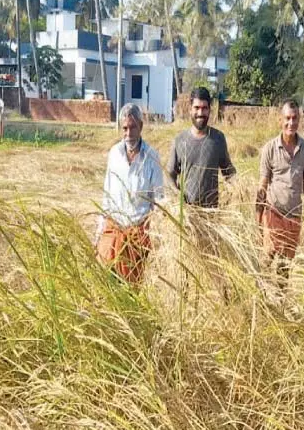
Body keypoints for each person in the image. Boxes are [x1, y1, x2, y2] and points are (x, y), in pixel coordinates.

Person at [167, 87, 236, 296]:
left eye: (205, 108)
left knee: (214, 264)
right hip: (187, 219)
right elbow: (169, 174)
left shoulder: (218, 140)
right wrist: (177, 196)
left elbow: (229, 172)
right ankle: (187, 301)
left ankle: (219, 301)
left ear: (210, 110)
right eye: (197, 107)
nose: (200, 113)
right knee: (187, 266)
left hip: (212, 218)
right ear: (190, 108)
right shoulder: (180, 141)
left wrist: (240, 188)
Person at [95, 104, 164, 284]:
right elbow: (107, 195)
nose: (129, 133)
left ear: (140, 126)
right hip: (114, 228)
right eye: (125, 128)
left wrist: (158, 234)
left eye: (133, 127)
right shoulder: (114, 154)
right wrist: (100, 230)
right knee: (106, 281)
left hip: (138, 233)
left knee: (132, 286)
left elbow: (158, 200)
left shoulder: (152, 157)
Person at [255, 99, 304, 282]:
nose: (291, 123)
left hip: (294, 215)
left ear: (300, 119)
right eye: (287, 118)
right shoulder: (270, 149)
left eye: (295, 118)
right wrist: (258, 221)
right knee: (267, 258)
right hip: (273, 213)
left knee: (285, 267)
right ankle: (262, 298)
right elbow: (262, 185)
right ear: (280, 120)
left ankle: (281, 303)